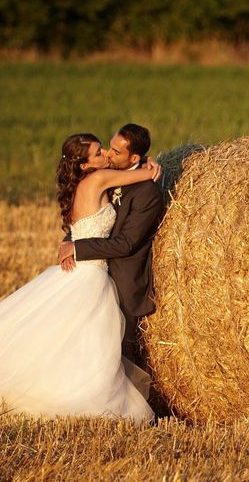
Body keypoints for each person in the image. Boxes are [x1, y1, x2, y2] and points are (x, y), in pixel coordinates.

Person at [0, 133, 160, 423]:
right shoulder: (98, 179)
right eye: (100, 152)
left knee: (61, 339)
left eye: (108, 150)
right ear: (86, 165)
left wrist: (144, 162)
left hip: (81, 269)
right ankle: (74, 395)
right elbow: (145, 174)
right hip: (89, 274)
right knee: (88, 342)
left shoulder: (85, 181)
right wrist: (151, 166)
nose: (106, 155)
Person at [57, 124, 165, 368]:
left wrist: (77, 248)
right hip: (93, 273)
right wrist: (71, 242)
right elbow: (85, 219)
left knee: (119, 354)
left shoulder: (147, 193)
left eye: (116, 151)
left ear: (133, 157)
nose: (107, 153)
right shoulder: (102, 176)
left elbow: (126, 243)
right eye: (106, 148)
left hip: (122, 280)